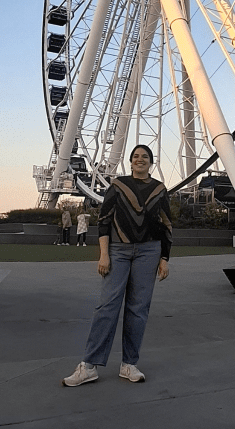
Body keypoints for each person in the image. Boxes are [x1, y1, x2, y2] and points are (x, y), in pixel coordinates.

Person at [63, 144, 172, 386]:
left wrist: (164, 258)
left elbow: (166, 225)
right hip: (118, 250)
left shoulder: (159, 189)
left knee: (138, 309)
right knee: (107, 305)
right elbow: (104, 221)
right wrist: (104, 255)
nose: (140, 159)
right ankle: (89, 365)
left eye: (145, 156)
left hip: (149, 251)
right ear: (130, 161)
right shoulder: (117, 186)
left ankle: (129, 364)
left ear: (151, 162)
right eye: (136, 156)